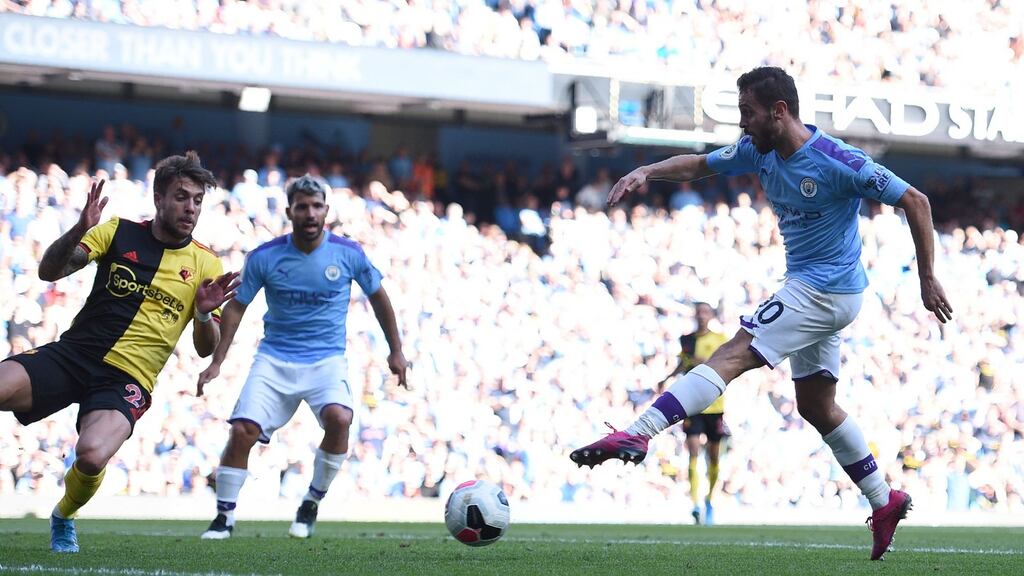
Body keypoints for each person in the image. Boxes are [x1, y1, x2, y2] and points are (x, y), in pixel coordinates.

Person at [569, 67, 953, 560]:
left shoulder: (839, 160)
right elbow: (698, 165)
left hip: (822, 290)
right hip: (822, 291)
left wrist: (926, 277)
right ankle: (884, 499)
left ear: (779, 111)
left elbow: (915, 201)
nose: (742, 124)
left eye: (748, 113)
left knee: (735, 352)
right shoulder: (758, 149)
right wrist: (648, 171)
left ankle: (638, 434)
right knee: (816, 406)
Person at [0, 152, 239, 553]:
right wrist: (79, 229)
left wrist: (201, 313)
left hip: (127, 379)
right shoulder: (118, 231)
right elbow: (49, 271)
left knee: (92, 456)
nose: (191, 207)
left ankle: (63, 516)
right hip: (74, 355)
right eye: (182, 196)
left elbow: (205, 348)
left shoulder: (205, 262)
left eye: (198, 200)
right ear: (159, 197)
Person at [197, 175, 408, 540]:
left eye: (316, 206)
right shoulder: (265, 256)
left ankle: (311, 500)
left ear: (326, 210)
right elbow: (236, 309)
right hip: (275, 358)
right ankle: (224, 518)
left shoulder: (348, 253)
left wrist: (397, 351)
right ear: (290, 211)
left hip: (326, 360)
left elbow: (379, 298)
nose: (310, 213)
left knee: (340, 418)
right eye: (302, 207)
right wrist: (217, 361)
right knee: (242, 430)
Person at [658, 302, 729, 526]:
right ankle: (696, 503)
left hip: (715, 404)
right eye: (698, 312)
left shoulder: (720, 339)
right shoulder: (687, 340)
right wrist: (667, 378)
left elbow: (726, 365)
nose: (701, 316)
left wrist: (705, 364)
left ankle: (710, 499)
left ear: (711, 316)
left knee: (714, 456)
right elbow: (683, 363)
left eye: (705, 312)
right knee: (693, 452)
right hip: (691, 403)